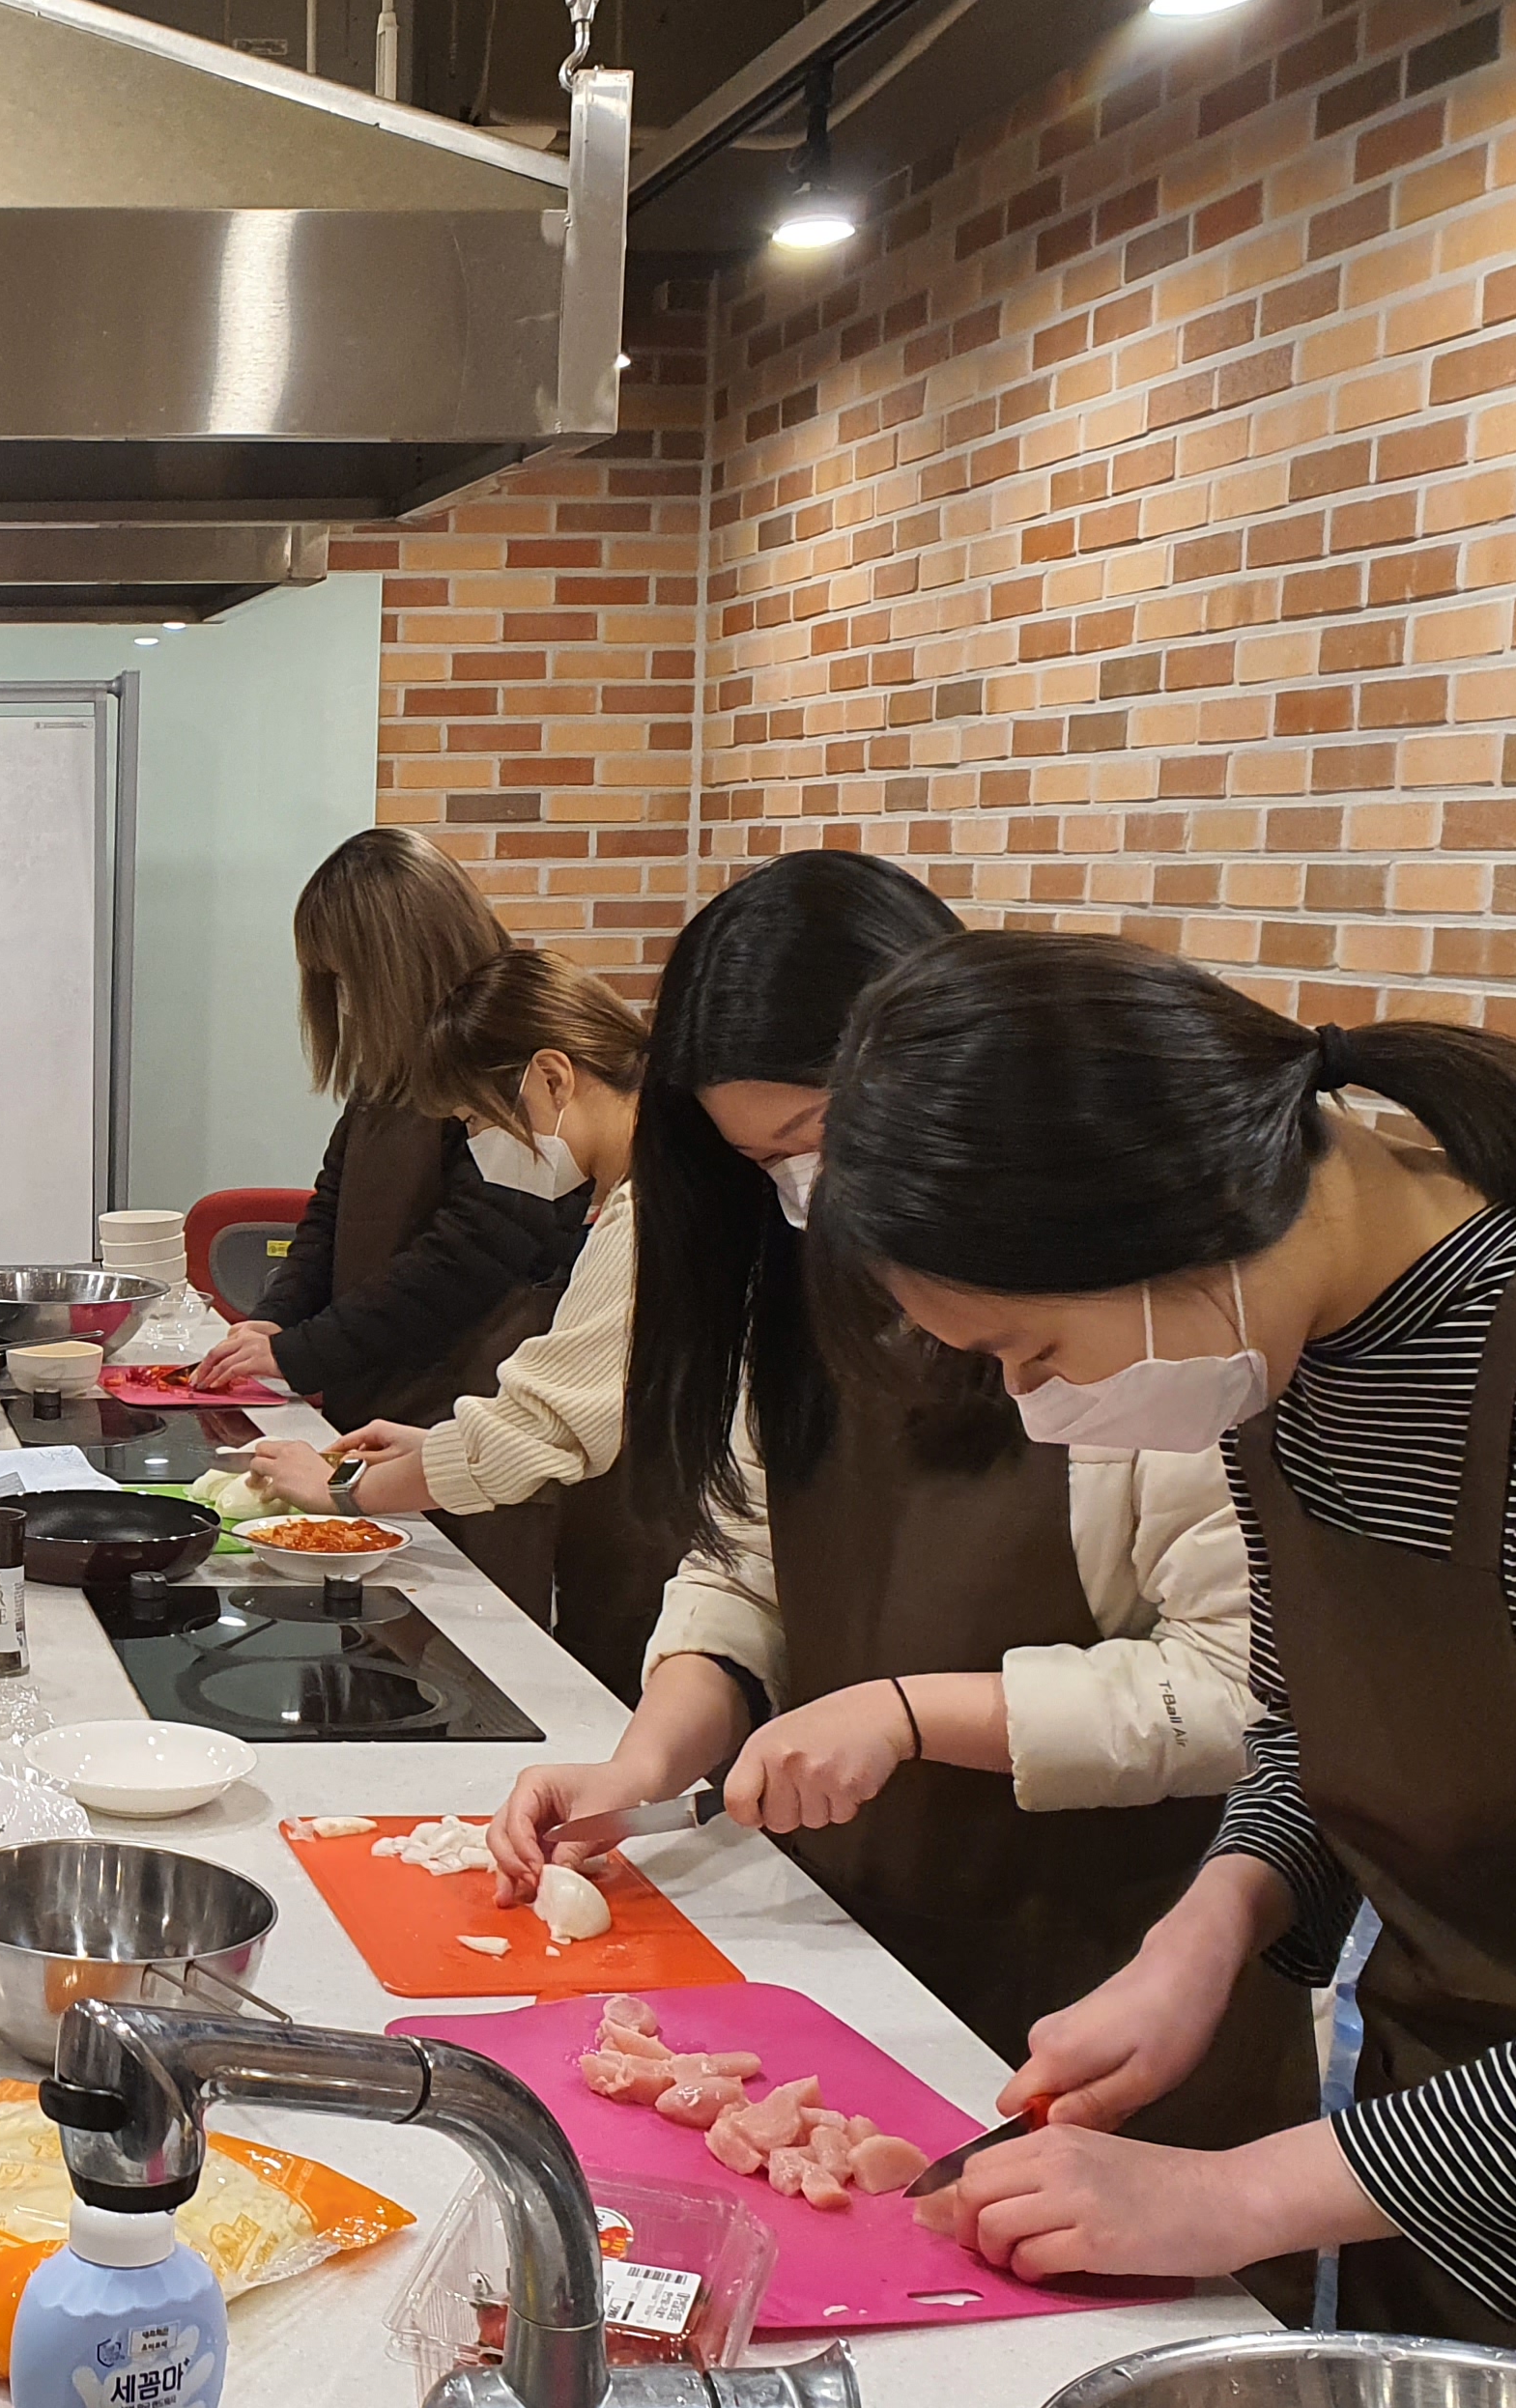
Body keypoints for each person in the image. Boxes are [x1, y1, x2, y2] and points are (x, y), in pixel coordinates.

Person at [821, 931, 1516, 2408]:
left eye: (1030, 1350)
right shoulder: (1285, 1350)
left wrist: (1233, 2197)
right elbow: (1313, 1723)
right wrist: (1209, 1930)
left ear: (1169, 1214)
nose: (1030, 1406)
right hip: (1433, 2169)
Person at [491, 851, 1312, 2196]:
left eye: (815, 1140)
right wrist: (643, 1764)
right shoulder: (799, 1292)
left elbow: (1244, 1693)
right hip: (854, 1947)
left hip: (1104, 1980)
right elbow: (744, 1563)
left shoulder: (1143, 1320)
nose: (806, 1193)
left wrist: (911, 1713)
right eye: (763, 1164)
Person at [240, 944, 680, 1694]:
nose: (479, 1150)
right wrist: (436, 1445)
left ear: (552, 1077)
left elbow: (534, 1434)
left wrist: (341, 1491)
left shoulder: (650, 1212)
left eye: (477, 1121)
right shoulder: (633, 1196)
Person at [189, 829, 581, 1437]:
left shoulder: (515, 1063)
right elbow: (331, 1211)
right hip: (375, 1398)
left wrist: (302, 1351)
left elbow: (465, 1263)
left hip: (457, 1417)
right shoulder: (393, 1062)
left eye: (350, 979)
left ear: (397, 965)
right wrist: (276, 1319)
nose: (345, 1003)